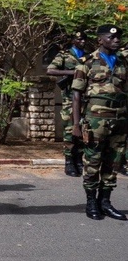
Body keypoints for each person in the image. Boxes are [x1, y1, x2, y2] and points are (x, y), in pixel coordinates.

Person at [71, 24, 127, 221]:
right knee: (93, 162)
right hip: (96, 122)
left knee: (113, 163)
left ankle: (105, 202)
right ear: (100, 40)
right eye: (111, 38)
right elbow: (76, 95)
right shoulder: (86, 63)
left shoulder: (123, 62)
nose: (116, 40)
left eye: (118, 37)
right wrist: (76, 125)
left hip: (120, 120)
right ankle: (91, 202)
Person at [46, 30, 88, 177]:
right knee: (70, 130)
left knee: (84, 129)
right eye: (79, 39)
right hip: (69, 98)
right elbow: (50, 70)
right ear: (73, 41)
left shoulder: (88, 55)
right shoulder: (64, 55)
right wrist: (73, 73)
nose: (82, 42)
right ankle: (69, 161)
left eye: (84, 39)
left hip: (86, 98)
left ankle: (79, 160)